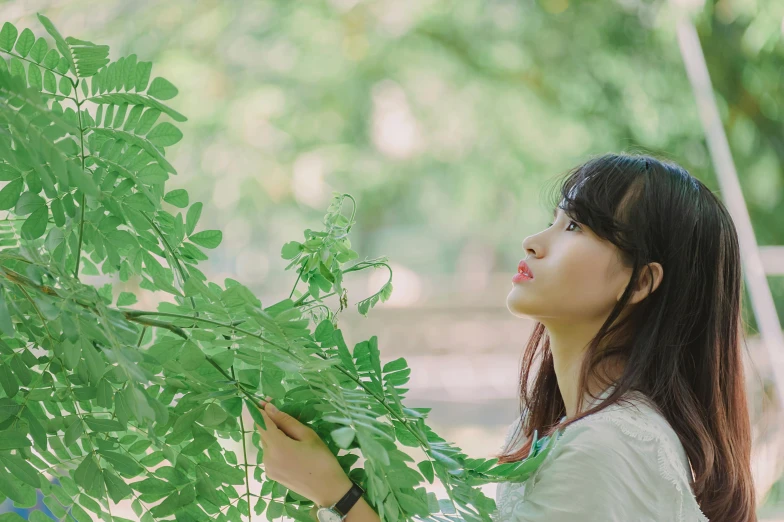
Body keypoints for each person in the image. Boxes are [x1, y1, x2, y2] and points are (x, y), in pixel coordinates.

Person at [254, 152, 757, 522]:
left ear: (641, 282)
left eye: (576, 227)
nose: (533, 242)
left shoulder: (606, 446)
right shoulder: (554, 429)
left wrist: (335, 495)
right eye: (553, 220)